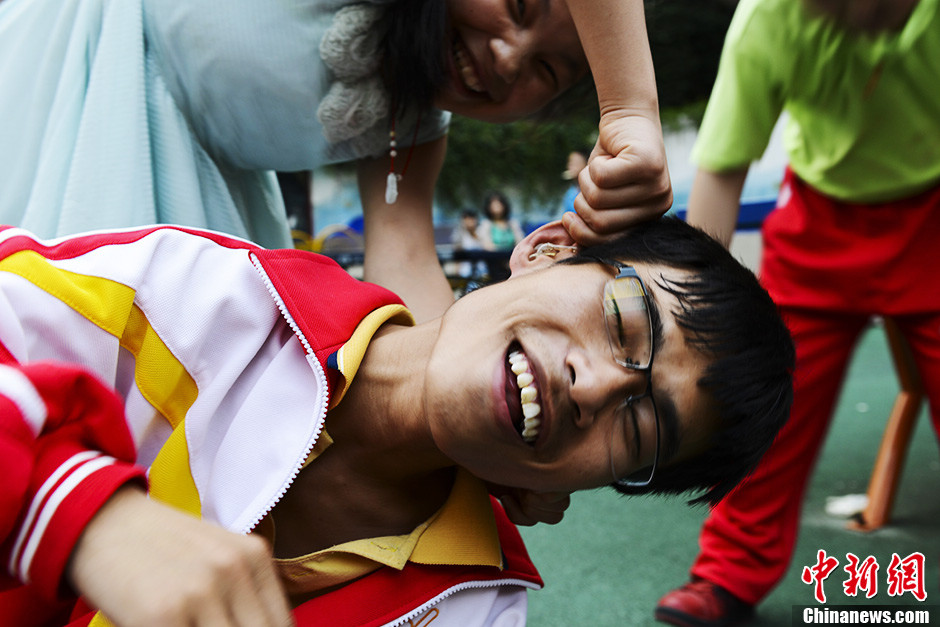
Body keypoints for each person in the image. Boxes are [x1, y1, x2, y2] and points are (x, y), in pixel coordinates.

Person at [0, 216, 793, 626]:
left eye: (639, 429)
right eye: (627, 320)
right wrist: (76, 513)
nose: (595, 386)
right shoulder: (213, 296)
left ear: (587, 484)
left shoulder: (475, 611)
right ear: (548, 248)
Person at [0, 0, 672, 324]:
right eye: (518, 5)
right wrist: (630, 109)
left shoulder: (409, 130)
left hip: (186, 215)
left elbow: (404, 258)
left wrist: (456, 394)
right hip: (44, 81)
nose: (508, 56)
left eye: (546, 71)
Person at [655, 0, 940, 625]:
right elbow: (723, 168)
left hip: (934, 218)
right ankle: (726, 575)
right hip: (819, 227)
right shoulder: (770, 16)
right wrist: (700, 324)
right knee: (768, 408)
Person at [561, 148, 590, 215]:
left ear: (586, 164)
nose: (570, 166)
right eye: (570, 162)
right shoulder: (570, 192)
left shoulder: (591, 191)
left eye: (575, 163)